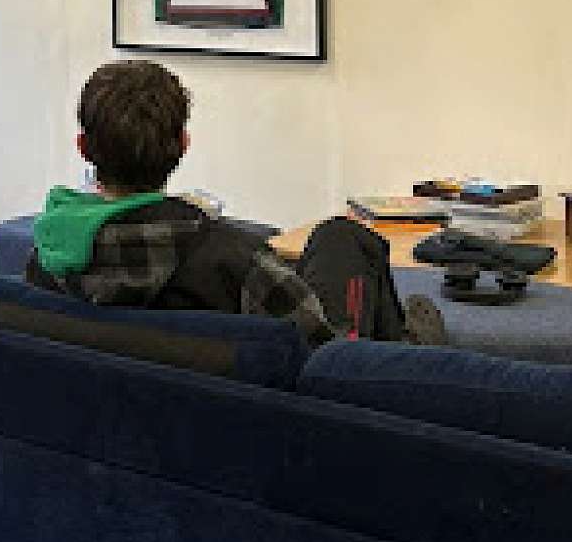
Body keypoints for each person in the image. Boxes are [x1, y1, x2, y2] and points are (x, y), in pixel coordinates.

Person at [25, 60, 406, 347]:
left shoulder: (46, 262)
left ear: (83, 147)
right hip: (265, 419)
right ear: (184, 144)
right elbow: (322, 350)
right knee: (344, 237)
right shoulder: (237, 261)